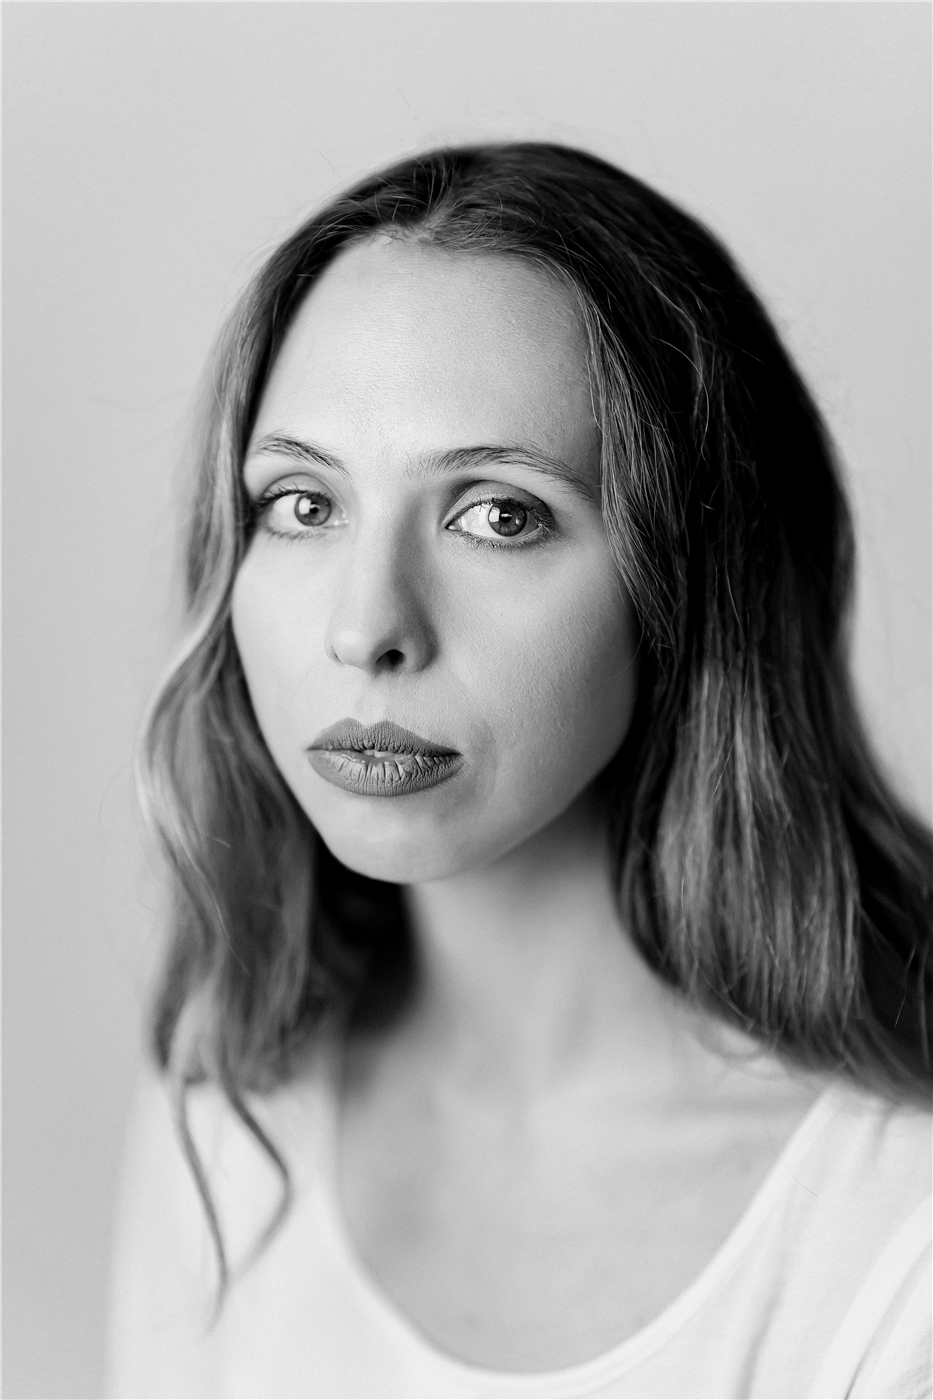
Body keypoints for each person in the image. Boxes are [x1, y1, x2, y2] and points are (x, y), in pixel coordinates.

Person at [107, 143, 932, 1400]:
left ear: (689, 585)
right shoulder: (229, 1097)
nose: (365, 627)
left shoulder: (891, 1227)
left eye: (499, 512)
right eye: (304, 504)